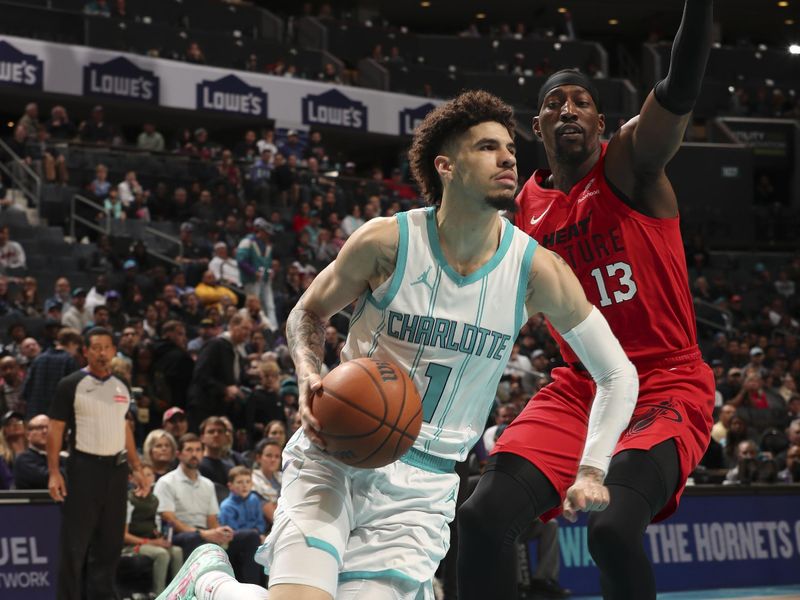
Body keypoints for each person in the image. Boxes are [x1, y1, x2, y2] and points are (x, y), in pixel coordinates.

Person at [156, 91, 637, 600]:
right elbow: (307, 312)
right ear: (446, 166)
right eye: (487, 148)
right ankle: (206, 583)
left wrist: (591, 468)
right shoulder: (385, 242)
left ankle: (210, 587)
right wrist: (307, 375)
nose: (507, 159)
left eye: (511, 150)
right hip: (335, 453)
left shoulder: (536, 271)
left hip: (422, 488)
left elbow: (617, 374)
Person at [458, 2, 716, 599]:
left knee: (611, 530)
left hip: (665, 381)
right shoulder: (521, 208)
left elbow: (681, 84)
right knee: (480, 515)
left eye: (579, 100)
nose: (566, 109)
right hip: (581, 387)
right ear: (538, 128)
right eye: (554, 103)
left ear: (602, 121)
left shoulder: (630, 163)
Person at [47, 327, 146, 600]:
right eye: (96, 347)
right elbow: (55, 429)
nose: (102, 353)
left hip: (116, 471)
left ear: (114, 351)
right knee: (75, 546)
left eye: (106, 347)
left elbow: (123, 427)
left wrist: (137, 467)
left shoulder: (122, 386)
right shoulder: (71, 384)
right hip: (84, 469)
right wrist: (54, 472)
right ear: (86, 351)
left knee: (110, 545)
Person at [154, 433, 262, 584]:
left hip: (205, 533)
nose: (194, 454)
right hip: (180, 536)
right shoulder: (166, 482)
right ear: (178, 454)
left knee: (250, 536)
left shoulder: (208, 484)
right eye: (189, 450)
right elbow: (169, 519)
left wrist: (219, 533)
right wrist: (204, 533)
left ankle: (251, 591)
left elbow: (212, 520)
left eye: (198, 450)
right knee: (194, 538)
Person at [123, 463, 184, 595]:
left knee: (177, 551)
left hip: (150, 541)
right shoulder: (128, 500)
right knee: (161, 554)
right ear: (132, 479)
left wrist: (161, 536)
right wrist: (152, 542)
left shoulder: (154, 500)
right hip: (131, 544)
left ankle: (178, 593)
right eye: (142, 475)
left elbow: (153, 525)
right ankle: (160, 594)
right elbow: (124, 536)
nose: (145, 479)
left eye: (149, 475)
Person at [21, 327, 82, 418]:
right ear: (72, 343)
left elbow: (26, 390)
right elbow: (73, 392)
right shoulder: (69, 361)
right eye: (76, 348)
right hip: (57, 416)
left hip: (35, 415)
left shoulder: (38, 359)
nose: (76, 352)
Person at [219, 466, 267, 538]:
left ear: (251, 484)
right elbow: (233, 532)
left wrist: (258, 532)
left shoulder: (254, 499)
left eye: (248, 482)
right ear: (230, 486)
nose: (245, 485)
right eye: (239, 482)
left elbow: (261, 522)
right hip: (238, 541)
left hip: (258, 536)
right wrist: (254, 534)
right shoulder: (227, 506)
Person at [13, 414, 57, 489]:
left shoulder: (60, 457)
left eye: (48, 428)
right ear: (28, 434)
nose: (45, 431)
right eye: (39, 428)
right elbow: (49, 480)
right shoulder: (23, 459)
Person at [250, 439, 282, 528]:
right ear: (258, 458)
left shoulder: (284, 476)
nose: (273, 460)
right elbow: (273, 516)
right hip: (268, 527)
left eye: (277, 456)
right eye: (269, 455)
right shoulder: (251, 480)